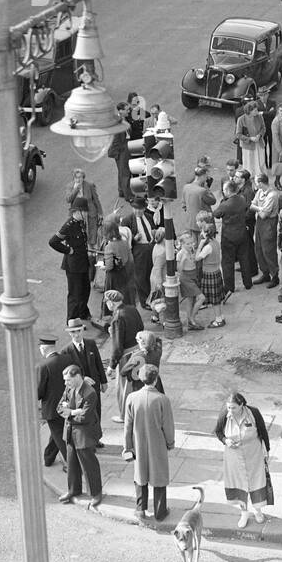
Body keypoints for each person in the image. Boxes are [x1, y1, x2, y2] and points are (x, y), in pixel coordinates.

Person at [122, 364, 175, 520]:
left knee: (140, 474)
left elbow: (127, 426)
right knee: (159, 475)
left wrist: (128, 446)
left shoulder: (131, 398)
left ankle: (140, 509)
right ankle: (160, 511)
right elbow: (168, 425)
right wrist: (170, 443)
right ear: (156, 379)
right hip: (157, 443)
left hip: (138, 443)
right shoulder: (162, 399)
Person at [214, 391, 271, 527]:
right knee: (239, 484)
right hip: (234, 457)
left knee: (256, 481)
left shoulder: (253, 413)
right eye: (228, 407)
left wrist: (267, 450)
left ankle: (258, 510)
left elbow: (263, 431)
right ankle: (244, 512)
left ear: (241, 405)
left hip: (253, 454)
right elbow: (218, 432)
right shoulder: (225, 415)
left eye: (233, 407)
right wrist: (225, 440)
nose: (230, 410)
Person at [57, 365, 102, 505]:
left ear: (77, 377)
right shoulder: (69, 388)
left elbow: (84, 418)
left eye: (68, 380)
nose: (65, 383)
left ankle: (96, 493)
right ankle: (73, 490)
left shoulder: (90, 393)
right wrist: (73, 412)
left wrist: (68, 412)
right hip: (70, 433)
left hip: (84, 435)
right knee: (71, 463)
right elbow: (59, 408)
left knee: (89, 465)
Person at [49, 200, 92, 323]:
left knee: (85, 289)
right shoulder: (68, 225)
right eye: (85, 211)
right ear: (78, 211)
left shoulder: (80, 222)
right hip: (73, 266)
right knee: (75, 294)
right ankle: (72, 320)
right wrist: (68, 251)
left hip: (83, 262)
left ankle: (83, 313)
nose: (87, 214)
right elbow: (53, 242)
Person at [105, 290, 143, 421]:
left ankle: (124, 415)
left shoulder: (117, 318)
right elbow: (141, 327)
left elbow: (117, 346)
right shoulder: (132, 309)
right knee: (138, 383)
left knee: (123, 388)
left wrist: (111, 365)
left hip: (126, 357)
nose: (107, 305)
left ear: (111, 303)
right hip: (139, 351)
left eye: (107, 302)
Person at [212, 180, 253, 295]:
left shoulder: (225, 204)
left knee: (227, 262)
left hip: (228, 236)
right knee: (244, 258)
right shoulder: (242, 199)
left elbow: (216, 214)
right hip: (242, 232)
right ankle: (248, 282)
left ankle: (230, 286)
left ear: (228, 191)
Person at [37, 336, 69, 470]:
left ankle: (71, 463)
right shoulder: (67, 359)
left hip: (52, 408)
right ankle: (48, 457)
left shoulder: (43, 366)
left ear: (44, 349)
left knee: (59, 437)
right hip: (68, 403)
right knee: (56, 433)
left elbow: (39, 391)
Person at [99, 215, 136, 324]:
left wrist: (103, 267)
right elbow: (129, 258)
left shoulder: (109, 247)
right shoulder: (123, 242)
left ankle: (115, 320)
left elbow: (109, 266)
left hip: (114, 276)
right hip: (124, 273)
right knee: (125, 297)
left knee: (112, 299)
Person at [194, 212, 228, 327]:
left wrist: (199, 245)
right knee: (217, 298)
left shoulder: (207, 247)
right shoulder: (216, 243)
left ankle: (218, 320)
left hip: (209, 273)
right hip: (216, 271)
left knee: (215, 300)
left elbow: (197, 258)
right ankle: (221, 316)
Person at [121, 197, 155, 309]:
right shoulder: (127, 220)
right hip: (139, 251)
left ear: (144, 208)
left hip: (151, 248)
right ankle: (145, 301)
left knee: (152, 274)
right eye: (135, 208)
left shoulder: (149, 217)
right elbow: (124, 241)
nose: (137, 211)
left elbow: (153, 229)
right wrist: (134, 239)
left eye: (140, 209)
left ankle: (153, 297)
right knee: (141, 277)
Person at [65, 169, 103, 264]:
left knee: (92, 232)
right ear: (74, 178)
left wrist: (100, 213)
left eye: (80, 177)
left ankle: (93, 254)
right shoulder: (70, 186)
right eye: (76, 177)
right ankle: (83, 253)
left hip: (91, 213)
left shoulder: (89, 185)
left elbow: (96, 199)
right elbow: (68, 200)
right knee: (80, 233)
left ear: (83, 178)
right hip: (78, 214)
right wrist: (75, 189)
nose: (78, 179)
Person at [251, 173, 281, 286]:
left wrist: (258, 208)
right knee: (258, 249)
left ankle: (275, 276)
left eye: (256, 181)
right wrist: (261, 209)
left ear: (260, 182)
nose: (255, 184)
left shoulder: (272, 195)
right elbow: (252, 206)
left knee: (269, 251)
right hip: (259, 223)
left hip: (269, 224)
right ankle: (265, 273)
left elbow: (264, 215)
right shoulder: (260, 192)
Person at [175, 228, 203, 330]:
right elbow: (179, 270)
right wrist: (183, 259)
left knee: (190, 300)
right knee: (201, 297)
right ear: (182, 244)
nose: (190, 245)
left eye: (191, 243)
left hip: (193, 275)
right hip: (185, 277)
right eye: (187, 244)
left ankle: (189, 321)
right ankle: (192, 319)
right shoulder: (181, 254)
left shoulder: (192, 251)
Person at [234, 100, 266, 179]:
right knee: (249, 165)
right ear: (250, 111)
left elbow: (263, 128)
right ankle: (250, 180)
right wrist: (250, 139)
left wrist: (259, 135)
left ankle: (260, 179)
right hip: (248, 147)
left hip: (259, 144)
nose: (257, 112)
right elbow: (238, 134)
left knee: (260, 163)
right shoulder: (241, 119)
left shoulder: (259, 117)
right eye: (255, 110)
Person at [108, 103, 132, 200]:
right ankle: (128, 196)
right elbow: (115, 140)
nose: (128, 111)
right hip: (122, 150)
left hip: (125, 146)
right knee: (125, 172)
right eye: (126, 110)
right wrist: (120, 151)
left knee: (121, 171)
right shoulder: (117, 122)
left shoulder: (123, 119)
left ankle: (121, 191)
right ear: (120, 111)